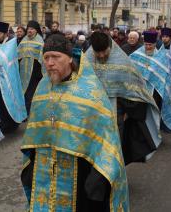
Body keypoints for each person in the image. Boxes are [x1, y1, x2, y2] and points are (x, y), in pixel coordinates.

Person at [21, 34, 129, 211]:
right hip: (44, 171)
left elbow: (105, 138)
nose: (49, 63)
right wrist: (30, 164)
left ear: (70, 58)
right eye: (46, 57)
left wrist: (98, 178)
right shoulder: (42, 87)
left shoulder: (90, 89)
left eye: (56, 57)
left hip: (79, 173)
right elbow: (34, 131)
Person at [86, 32, 161, 165]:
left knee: (115, 148)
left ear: (110, 46)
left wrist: (129, 111)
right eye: (98, 53)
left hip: (116, 114)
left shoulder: (122, 61)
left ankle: (115, 178)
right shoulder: (86, 59)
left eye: (104, 51)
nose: (101, 55)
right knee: (92, 149)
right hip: (91, 113)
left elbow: (134, 87)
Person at [0, 22, 27, 139]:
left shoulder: (11, 44)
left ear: (5, 34)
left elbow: (3, 61)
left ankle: (9, 125)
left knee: (4, 103)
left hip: (7, 80)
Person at [130, 31, 171, 133]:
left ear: (154, 44)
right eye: (146, 44)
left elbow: (164, 75)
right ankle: (142, 134)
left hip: (155, 91)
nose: (148, 47)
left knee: (153, 113)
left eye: (150, 45)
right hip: (140, 90)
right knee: (140, 113)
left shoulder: (161, 57)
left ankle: (154, 133)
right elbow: (130, 69)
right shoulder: (136, 55)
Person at [18, 20, 44, 115]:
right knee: (22, 92)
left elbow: (41, 59)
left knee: (30, 93)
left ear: (36, 30)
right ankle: (23, 112)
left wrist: (39, 73)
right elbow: (18, 55)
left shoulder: (40, 41)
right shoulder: (24, 40)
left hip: (35, 72)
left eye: (32, 29)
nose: (29, 30)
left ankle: (29, 113)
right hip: (22, 71)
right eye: (28, 28)